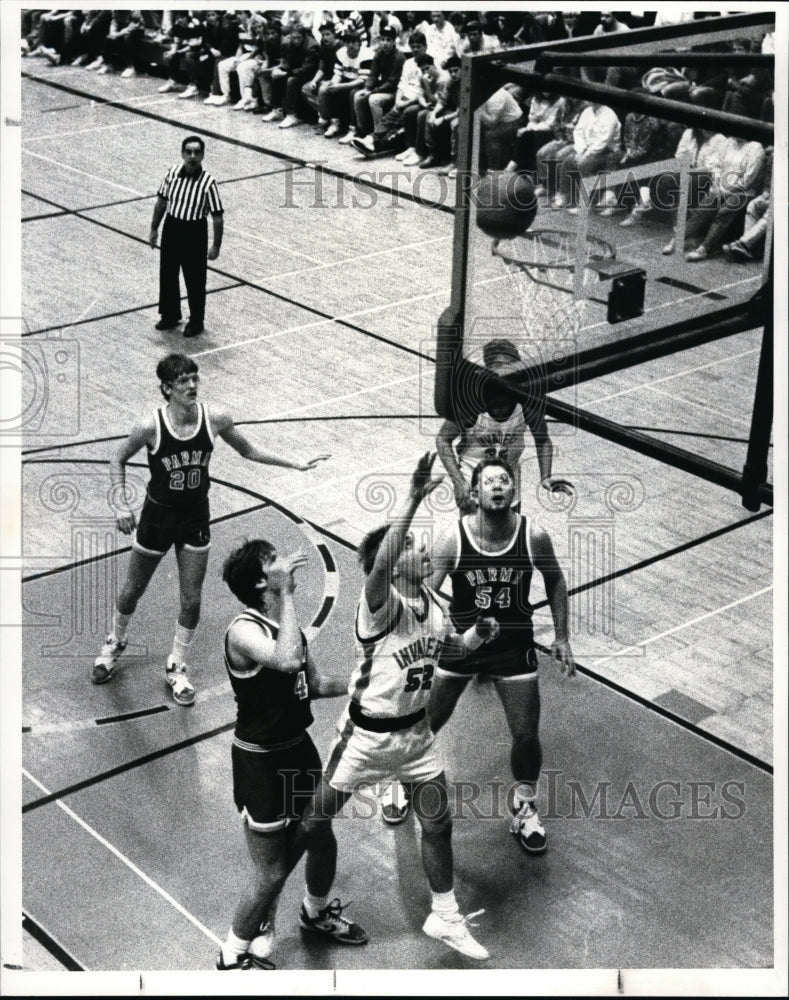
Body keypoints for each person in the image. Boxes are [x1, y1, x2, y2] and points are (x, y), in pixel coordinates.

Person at [294, 453, 495, 960]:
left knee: (439, 823)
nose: (419, 548)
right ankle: (314, 907)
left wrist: (475, 637)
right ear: (388, 561)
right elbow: (381, 563)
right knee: (314, 826)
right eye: (408, 546)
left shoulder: (435, 603)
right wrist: (411, 497)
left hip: (415, 738)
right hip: (364, 738)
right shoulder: (380, 606)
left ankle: (444, 915)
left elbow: (444, 652)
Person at [92, 353, 329, 705]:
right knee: (131, 591)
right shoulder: (150, 425)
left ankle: (177, 664)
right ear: (167, 388)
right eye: (183, 381)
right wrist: (120, 504)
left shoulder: (214, 419)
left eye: (194, 378)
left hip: (194, 518)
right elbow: (117, 458)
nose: (191, 386)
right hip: (157, 518)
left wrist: (294, 462)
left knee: (192, 597)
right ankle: (114, 642)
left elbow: (248, 450)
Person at [385, 457, 575, 853]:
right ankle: (401, 780)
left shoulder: (533, 536)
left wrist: (562, 636)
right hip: (461, 645)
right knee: (427, 721)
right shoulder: (453, 539)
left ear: (514, 491)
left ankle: (524, 806)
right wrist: (421, 639)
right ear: (474, 494)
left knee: (526, 735)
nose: (498, 486)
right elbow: (426, 593)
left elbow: (555, 579)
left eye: (504, 480)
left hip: (513, 647)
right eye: (489, 482)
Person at [217, 542, 365, 970]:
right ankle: (231, 954)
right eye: (275, 560)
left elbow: (313, 683)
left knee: (320, 835)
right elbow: (288, 659)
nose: (289, 561)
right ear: (263, 580)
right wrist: (288, 595)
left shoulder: (287, 624)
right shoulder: (243, 630)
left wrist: (364, 681)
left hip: (298, 750)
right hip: (260, 761)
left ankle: (315, 912)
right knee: (270, 872)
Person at [435, 338, 573, 513]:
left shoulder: (528, 402)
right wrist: (459, 481)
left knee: (511, 535)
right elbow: (442, 440)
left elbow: (543, 440)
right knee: (474, 536)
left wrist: (546, 476)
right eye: (501, 368)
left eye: (513, 369)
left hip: (509, 479)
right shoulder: (471, 403)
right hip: (473, 478)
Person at [149, 136, 223, 337]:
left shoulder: (208, 182)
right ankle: (170, 315)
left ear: (202, 156)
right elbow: (161, 202)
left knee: (195, 279)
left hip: (194, 232)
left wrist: (215, 246)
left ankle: (196, 321)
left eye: (197, 152)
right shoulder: (172, 173)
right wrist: (154, 229)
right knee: (168, 273)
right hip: (172, 227)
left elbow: (217, 217)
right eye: (188, 152)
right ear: (182, 153)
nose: (192, 156)